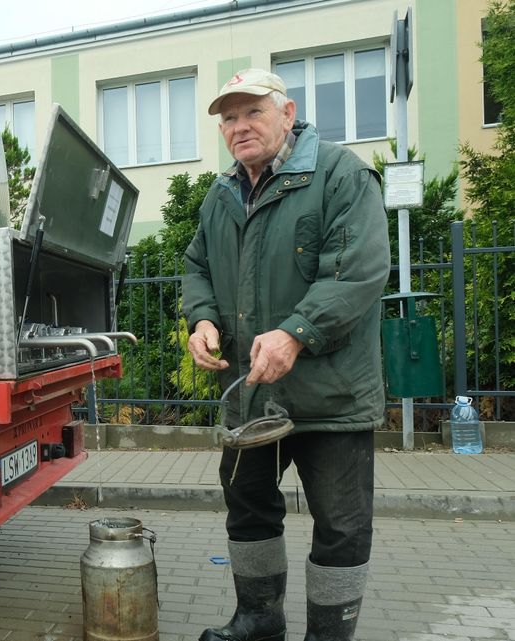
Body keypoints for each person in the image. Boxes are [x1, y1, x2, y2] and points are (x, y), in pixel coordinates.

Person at [182, 68, 390, 641]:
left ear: (288, 113)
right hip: (254, 397)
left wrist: (296, 332)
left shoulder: (341, 175)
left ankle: (328, 634)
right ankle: (258, 618)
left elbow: (358, 273)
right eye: (229, 117)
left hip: (331, 396)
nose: (240, 126)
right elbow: (197, 267)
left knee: (341, 527)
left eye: (253, 112)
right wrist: (201, 319)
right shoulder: (221, 195)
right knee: (248, 507)